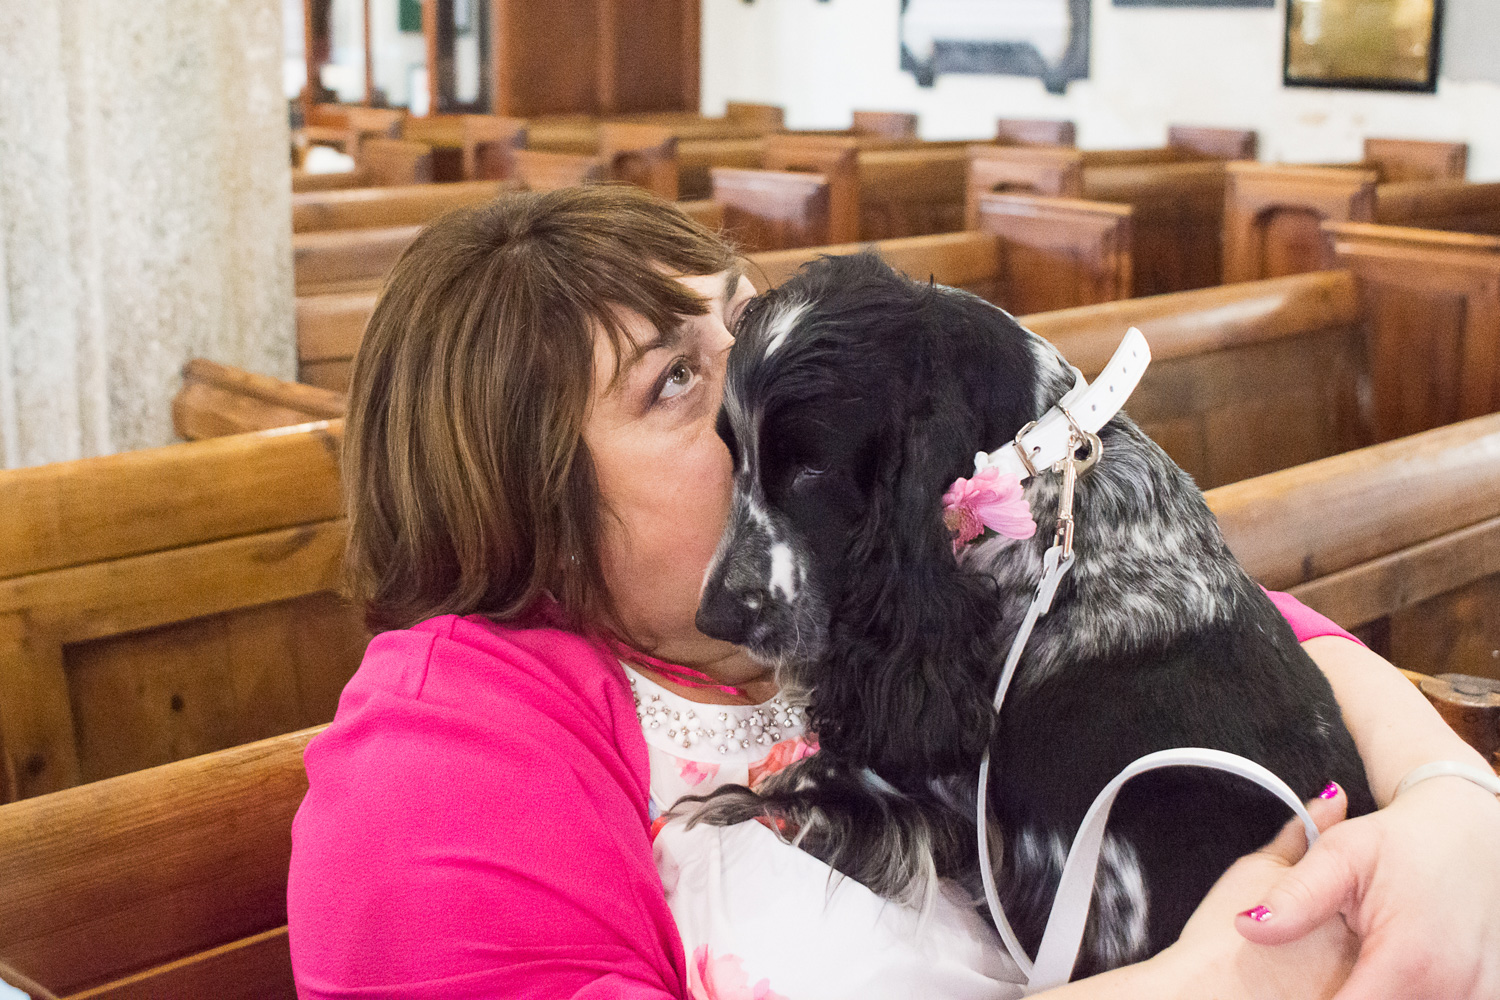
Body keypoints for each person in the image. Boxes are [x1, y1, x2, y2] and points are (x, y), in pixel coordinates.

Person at [287, 186, 1500, 1000]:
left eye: (749, 325)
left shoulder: (890, 561)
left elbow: (1255, 639)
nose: (760, 386)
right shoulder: (442, 761)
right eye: (671, 382)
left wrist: (1457, 807)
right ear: (521, 504)